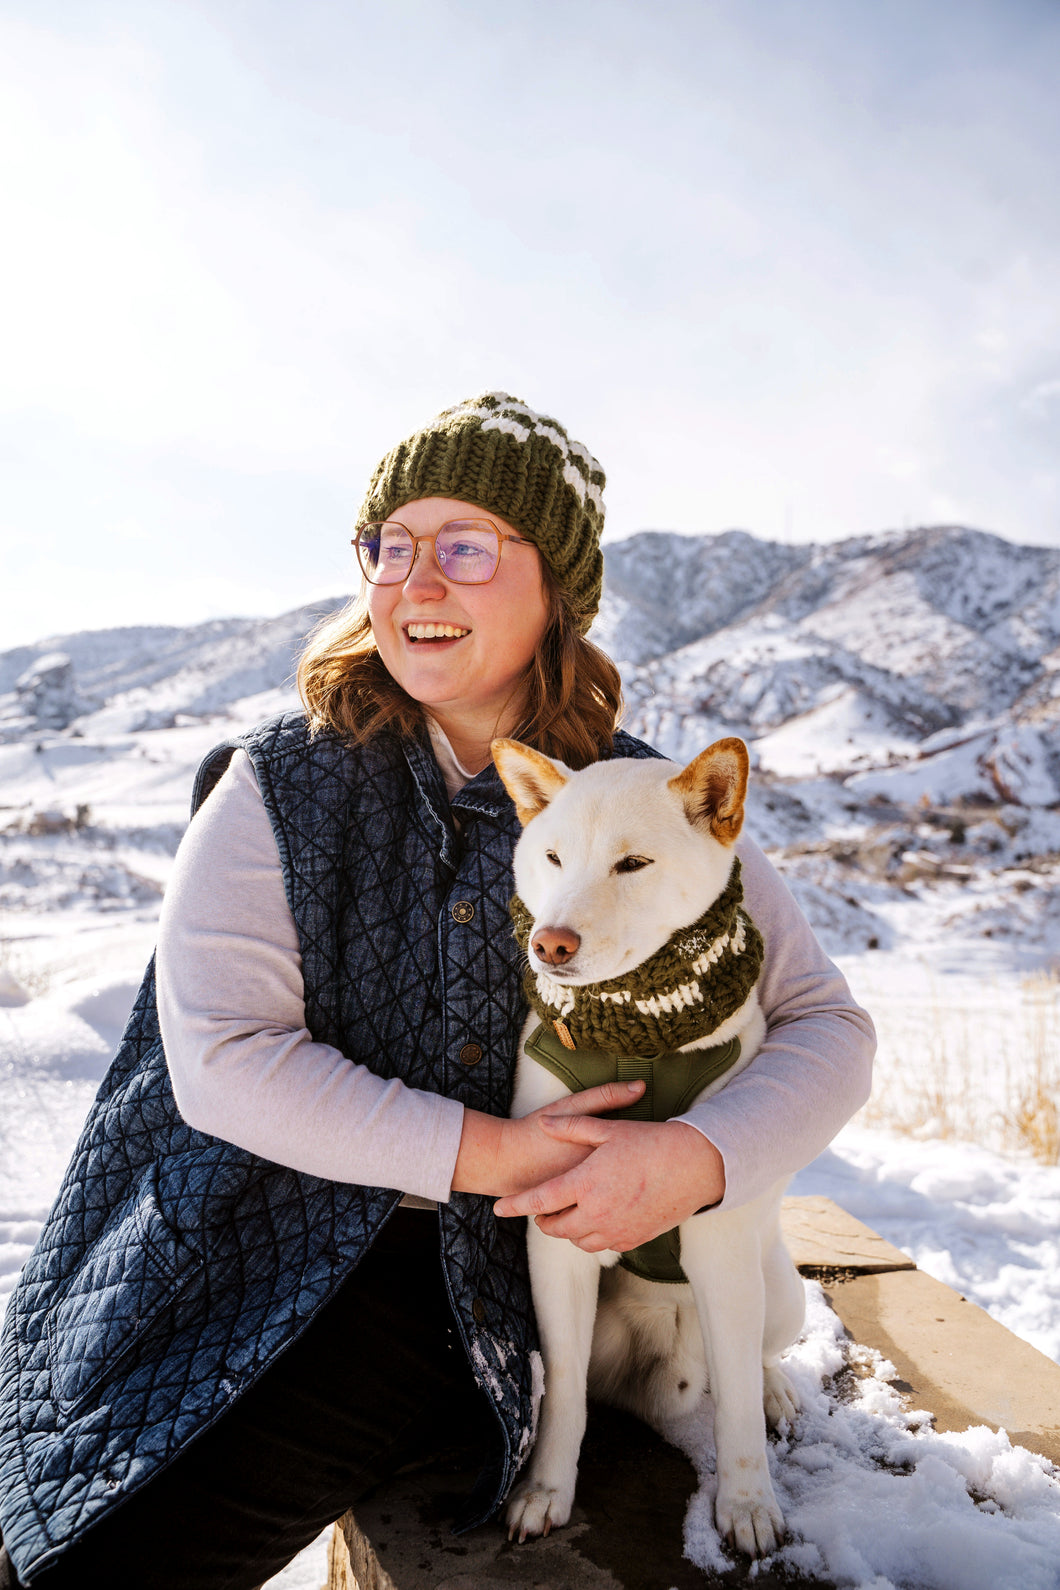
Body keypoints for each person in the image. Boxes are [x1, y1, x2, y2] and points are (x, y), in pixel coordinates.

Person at [0, 393, 874, 1589]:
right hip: (237, 1243)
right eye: (388, 546)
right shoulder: (279, 787)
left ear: (555, 588)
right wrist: (496, 1153)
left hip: (473, 1287)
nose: (417, 581)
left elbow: (826, 1025)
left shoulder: (636, 803)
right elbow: (225, 1060)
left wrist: (698, 1160)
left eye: (465, 547)